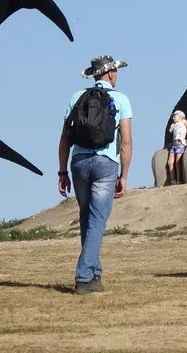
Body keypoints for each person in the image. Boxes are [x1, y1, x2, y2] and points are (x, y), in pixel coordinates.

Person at [57, 56, 135, 294]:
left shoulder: (76, 97)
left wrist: (62, 172)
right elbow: (127, 141)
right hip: (105, 163)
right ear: (111, 74)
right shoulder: (120, 99)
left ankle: (94, 275)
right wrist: (124, 175)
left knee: (87, 217)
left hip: (79, 162)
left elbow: (64, 139)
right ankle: (83, 276)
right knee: (98, 220)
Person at [165, 110, 187, 186]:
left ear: (180, 116)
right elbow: (170, 131)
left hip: (180, 144)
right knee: (170, 163)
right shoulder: (174, 124)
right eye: (173, 116)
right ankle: (172, 180)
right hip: (174, 145)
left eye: (175, 116)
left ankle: (178, 180)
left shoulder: (183, 121)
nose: (173, 118)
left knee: (177, 163)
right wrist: (172, 126)